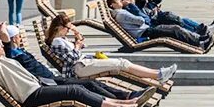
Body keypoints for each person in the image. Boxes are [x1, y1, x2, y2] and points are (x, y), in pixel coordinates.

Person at [0, 25, 143, 107]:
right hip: (31, 96)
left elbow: (1, 44)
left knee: (79, 89)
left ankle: (118, 103)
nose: (1, 46)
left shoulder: (3, 59)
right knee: (74, 91)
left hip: (38, 88)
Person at [0, 24, 147, 101]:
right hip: (46, 82)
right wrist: (2, 30)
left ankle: (126, 96)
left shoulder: (19, 51)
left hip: (52, 77)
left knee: (92, 83)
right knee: (87, 84)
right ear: (12, 39)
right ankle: (119, 100)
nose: (20, 38)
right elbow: (5, 40)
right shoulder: (11, 55)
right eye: (17, 36)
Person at [46, 14, 176, 82]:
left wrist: (77, 38)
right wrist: (77, 46)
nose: (69, 30)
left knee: (123, 63)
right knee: (122, 63)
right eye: (68, 28)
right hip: (79, 68)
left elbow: (76, 50)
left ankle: (157, 74)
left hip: (84, 63)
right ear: (60, 28)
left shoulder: (61, 40)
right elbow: (71, 59)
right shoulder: (57, 41)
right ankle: (158, 75)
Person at [106, 0, 211, 49]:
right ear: (112, 5)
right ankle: (199, 42)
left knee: (174, 28)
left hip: (146, 30)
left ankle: (199, 39)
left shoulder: (120, 13)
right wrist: (131, 5)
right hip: (145, 33)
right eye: (118, 0)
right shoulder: (121, 14)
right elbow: (140, 20)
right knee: (174, 29)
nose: (121, 1)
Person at [119, 0, 214, 37]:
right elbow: (144, 19)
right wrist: (134, 1)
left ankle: (202, 29)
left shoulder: (138, 5)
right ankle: (198, 32)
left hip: (155, 19)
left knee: (182, 20)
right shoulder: (133, 7)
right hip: (153, 23)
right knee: (175, 21)